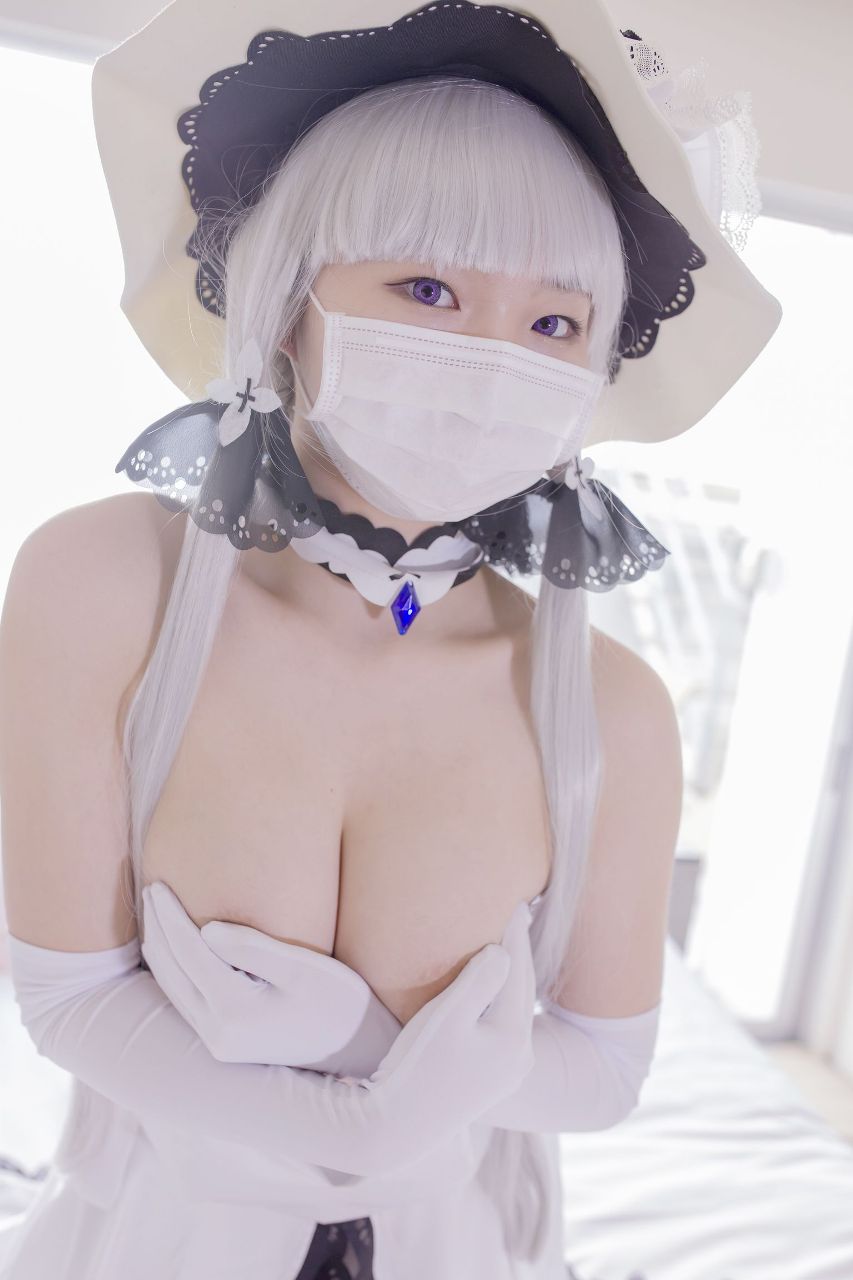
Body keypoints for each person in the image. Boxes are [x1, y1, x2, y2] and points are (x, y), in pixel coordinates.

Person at [0, 2, 781, 1277]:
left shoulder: (608, 703)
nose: (493, 357)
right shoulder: (101, 583)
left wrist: (362, 1051)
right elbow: (68, 993)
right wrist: (359, 1113)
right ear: (288, 298)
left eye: (553, 323)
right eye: (427, 287)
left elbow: (604, 1065)